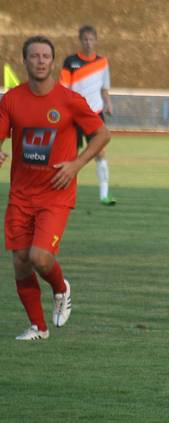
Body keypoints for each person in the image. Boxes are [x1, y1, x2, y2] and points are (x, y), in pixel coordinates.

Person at [0, 35, 111, 340]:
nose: (40, 61)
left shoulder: (69, 100)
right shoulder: (11, 99)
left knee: (40, 258)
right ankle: (38, 327)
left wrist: (76, 164)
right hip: (21, 195)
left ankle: (61, 288)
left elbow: (102, 134)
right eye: (34, 56)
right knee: (20, 262)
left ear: (53, 62)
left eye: (45, 56)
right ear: (25, 61)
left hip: (55, 193)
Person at [59, 25, 115, 206]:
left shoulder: (103, 62)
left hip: (95, 114)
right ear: (80, 40)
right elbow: (63, 88)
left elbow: (104, 88)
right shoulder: (70, 62)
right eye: (85, 39)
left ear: (95, 40)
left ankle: (104, 195)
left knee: (100, 152)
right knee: (70, 155)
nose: (88, 43)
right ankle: (66, 196)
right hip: (73, 115)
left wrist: (108, 103)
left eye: (91, 39)